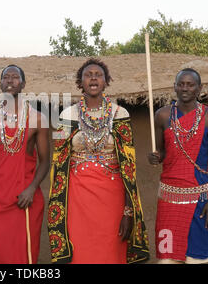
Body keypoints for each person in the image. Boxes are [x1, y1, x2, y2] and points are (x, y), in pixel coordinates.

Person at [48, 58, 149, 264]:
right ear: (80, 82)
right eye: (88, 74)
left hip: (112, 199)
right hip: (77, 199)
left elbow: (129, 167)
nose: (93, 77)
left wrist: (128, 211)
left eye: (98, 74)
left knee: (110, 253)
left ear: (106, 81)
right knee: (81, 253)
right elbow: (58, 162)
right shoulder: (67, 115)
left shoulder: (120, 114)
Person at [0, 65, 50, 264]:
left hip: (25, 200)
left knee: (24, 257)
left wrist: (32, 189)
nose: (10, 81)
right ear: (0, 83)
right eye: (6, 77)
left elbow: (45, 161)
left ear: (23, 83)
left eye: (15, 77)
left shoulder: (38, 119)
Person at [148, 68, 208, 264]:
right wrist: (154, 157)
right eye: (181, 84)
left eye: (190, 84)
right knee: (167, 259)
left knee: (197, 259)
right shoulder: (162, 115)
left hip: (200, 200)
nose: (185, 88)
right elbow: (161, 152)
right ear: (175, 87)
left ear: (199, 88)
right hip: (169, 200)